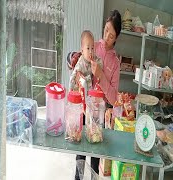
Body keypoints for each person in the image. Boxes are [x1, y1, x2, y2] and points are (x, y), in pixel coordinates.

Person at [74, 10, 122, 180]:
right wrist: (72, 60)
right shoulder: (92, 45)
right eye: (106, 29)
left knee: (95, 154)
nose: (107, 35)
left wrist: (100, 76)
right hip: (83, 107)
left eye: (112, 34)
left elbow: (114, 98)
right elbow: (76, 61)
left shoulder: (115, 63)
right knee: (80, 152)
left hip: (99, 112)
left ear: (116, 38)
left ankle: (94, 177)